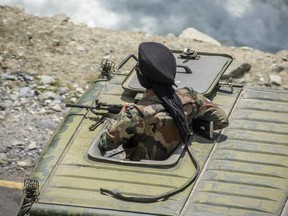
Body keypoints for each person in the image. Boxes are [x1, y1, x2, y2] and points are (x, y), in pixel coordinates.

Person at [98, 42, 228, 161]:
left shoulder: (135, 116)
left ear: (142, 77)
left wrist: (120, 117)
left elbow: (104, 144)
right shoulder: (191, 97)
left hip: (142, 171)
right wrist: (185, 121)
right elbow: (221, 120)